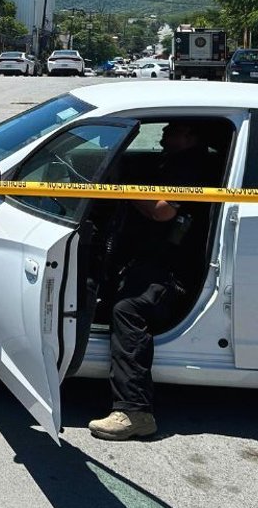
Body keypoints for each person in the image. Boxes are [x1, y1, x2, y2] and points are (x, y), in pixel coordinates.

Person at [88, 119, 221, 441]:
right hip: (155, 261)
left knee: (129, 309)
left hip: (171, 272)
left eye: (173, 128)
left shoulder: (191, 167)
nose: (163, 133)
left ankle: (135, 412)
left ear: (192, 134)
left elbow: (162, 210)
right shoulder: (178, 162)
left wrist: (123, 187)